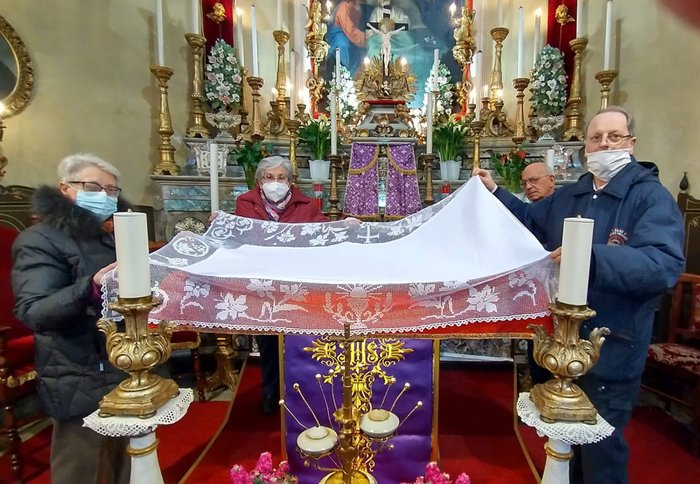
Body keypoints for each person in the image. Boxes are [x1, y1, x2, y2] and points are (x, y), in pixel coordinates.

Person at [473, 106, 685, 484]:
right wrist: (496, 191)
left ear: (631, 143)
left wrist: (593, 258)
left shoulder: (650, 198)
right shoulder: (574, 193)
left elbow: (662, 264)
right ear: (585, 145)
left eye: (614, 136)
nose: (604, 143)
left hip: (611, 344)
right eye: (596, 137)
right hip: (559, 341)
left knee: (601, 447)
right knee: (561, 441)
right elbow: (529, 220)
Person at [12, 153, 131, 484]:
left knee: (124, 464)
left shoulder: (105, 236)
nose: (105, 196)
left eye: (112, 189)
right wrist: (90, 289)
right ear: (65, 188)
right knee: (81, 466)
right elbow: (34, 311)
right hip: (76, 368)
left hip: (117, 364)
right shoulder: (39, 239)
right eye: (94, 186)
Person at [234, 156, 329, 414]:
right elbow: (243, 236)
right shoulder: (245, 202)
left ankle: (303, 394)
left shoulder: (307, 205)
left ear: (290, 181)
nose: (275, 183)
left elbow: (323, 231)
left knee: (302, 341)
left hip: (298, 284)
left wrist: (345, 226)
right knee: (269, 344)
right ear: (259, 181)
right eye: (269, 178)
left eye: (280, 178)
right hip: (263, 286)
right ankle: (271, 393)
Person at [327, 0, 369, 76]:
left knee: (357, 50)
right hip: (338, 33)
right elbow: (350, 28)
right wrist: (365, 39)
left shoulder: (359, 7)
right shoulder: (344, 6)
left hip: (350, 34)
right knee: (343, 45)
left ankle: (352, 74)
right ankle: (344, 74)